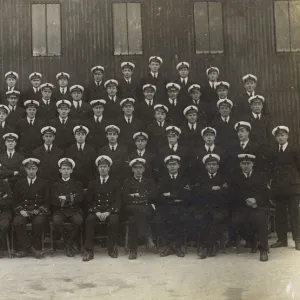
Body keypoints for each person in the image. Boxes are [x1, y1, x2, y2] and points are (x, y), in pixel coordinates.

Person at [230, 154, 270, 262]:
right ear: (240, 165)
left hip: (257, 206)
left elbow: (265, 194)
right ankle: (251, 241)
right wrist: (246, 201)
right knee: (236, 220)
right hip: (242, 207)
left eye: (248, 163)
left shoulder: (260, 176)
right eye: (244, 163)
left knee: (261, 220)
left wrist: (255, 200)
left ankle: (263, 250)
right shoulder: (235, 177)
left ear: (253, 164)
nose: (246, 166)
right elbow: (233, 195)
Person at [83, 155, 121, 261]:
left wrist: (108, 212)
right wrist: (96, 212)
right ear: (98, 168)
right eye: (100, 167)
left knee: (114, 220)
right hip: (97, 212)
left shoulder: (115, 183)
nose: (103, 169)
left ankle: (112, 248)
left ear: (109, 168)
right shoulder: (92, 183)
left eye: (105, 166)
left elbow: (118, 202)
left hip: (110, 212)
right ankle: (89, 251)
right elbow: (88, 201)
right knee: (89, 220)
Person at [190, 154, 228, 259]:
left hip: (219, 208)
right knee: (201, 219)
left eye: (214, 164)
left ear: (218, 166)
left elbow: (226, 193)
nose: (211, 166)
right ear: (206, 166)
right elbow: (197, 192)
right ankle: (212, 246)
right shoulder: (200, 178)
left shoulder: (224, 178)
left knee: (217, 219)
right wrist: (212, 188)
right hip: (204, 207)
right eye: (209, 164)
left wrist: (206, 190)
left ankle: (207, 247)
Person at [269, 126, 300, 250]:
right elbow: (271, 169)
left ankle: (297, 239)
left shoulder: (295, 149)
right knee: (279, 214)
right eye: (278, 135)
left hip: (292, 187)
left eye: (282, 135)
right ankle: (282, 239)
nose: (280, 137)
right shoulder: (273, 151)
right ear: (275, 137)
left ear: (287, 136)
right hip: (279, 187)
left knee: (294, 214)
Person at [12, 158, 49, 258]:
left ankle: (26, 249)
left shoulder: (43, 183)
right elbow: (15, 201)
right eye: (29, 169)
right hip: (23, 211)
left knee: (39, 222)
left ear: (37, 169)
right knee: (17, 222)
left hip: (37, 211)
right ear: (25, 170)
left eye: (33, 168)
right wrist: (20, 210)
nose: (31, 171)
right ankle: (32, 250)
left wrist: (39, 210)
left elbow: (47, 201)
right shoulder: (19, 183)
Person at [122, 158, 156, 259]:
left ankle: (133, 250)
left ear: (144, 169)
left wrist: (137, 195)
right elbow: (125, 197)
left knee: (134, 218)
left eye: (140, 168)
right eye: (135, 168)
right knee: (135, 216)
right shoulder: (127, 182)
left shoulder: (149, 181)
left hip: (146, 209)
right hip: (133, 207)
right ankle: (146, 237)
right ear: (132, 169)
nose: (138, 170)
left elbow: (153, 195)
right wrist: (144, 196)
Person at [157, 155, 189, 257]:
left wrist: (169, 195)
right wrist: (175, 195)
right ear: (166, 166)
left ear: (178, 165)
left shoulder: (184, 179)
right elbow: (159, 196)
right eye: (170, 165)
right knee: (165, 218)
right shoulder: (162, 180)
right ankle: (169, 246)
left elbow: (186, 195)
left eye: (174, 164)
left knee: (179, 219)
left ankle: (177, 246)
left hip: (181, 206)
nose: (172, 167)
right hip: (166, 207)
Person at [51, 158, 84, 257]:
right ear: (60, 170)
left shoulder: (77, 184)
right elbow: (54, 200)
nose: (65, 171)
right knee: (56, 221)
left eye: (68, 169)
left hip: (74, 210)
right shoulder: (55, 185)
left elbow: (80, 198)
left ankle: (68, 244)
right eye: (63, 169)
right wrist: (71, 199)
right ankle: (68, 243)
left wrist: (66, 198)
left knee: (79, 221)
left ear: (71, 170)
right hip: (60, 210)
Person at [0, 178, 12, 257]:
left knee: (4, 226)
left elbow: (9, 200)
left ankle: (2, 249)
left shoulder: (5, 184)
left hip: (5, 212)